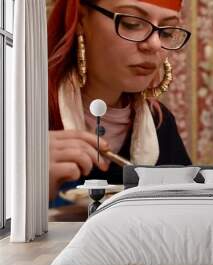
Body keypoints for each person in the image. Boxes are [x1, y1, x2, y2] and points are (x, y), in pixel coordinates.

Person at [47, 0, 192, 202]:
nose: (155, 44)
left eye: (166, 32)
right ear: (80, 19)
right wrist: (22, 184)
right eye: (132, 23)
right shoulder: (22, 110)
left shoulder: (160, 124)